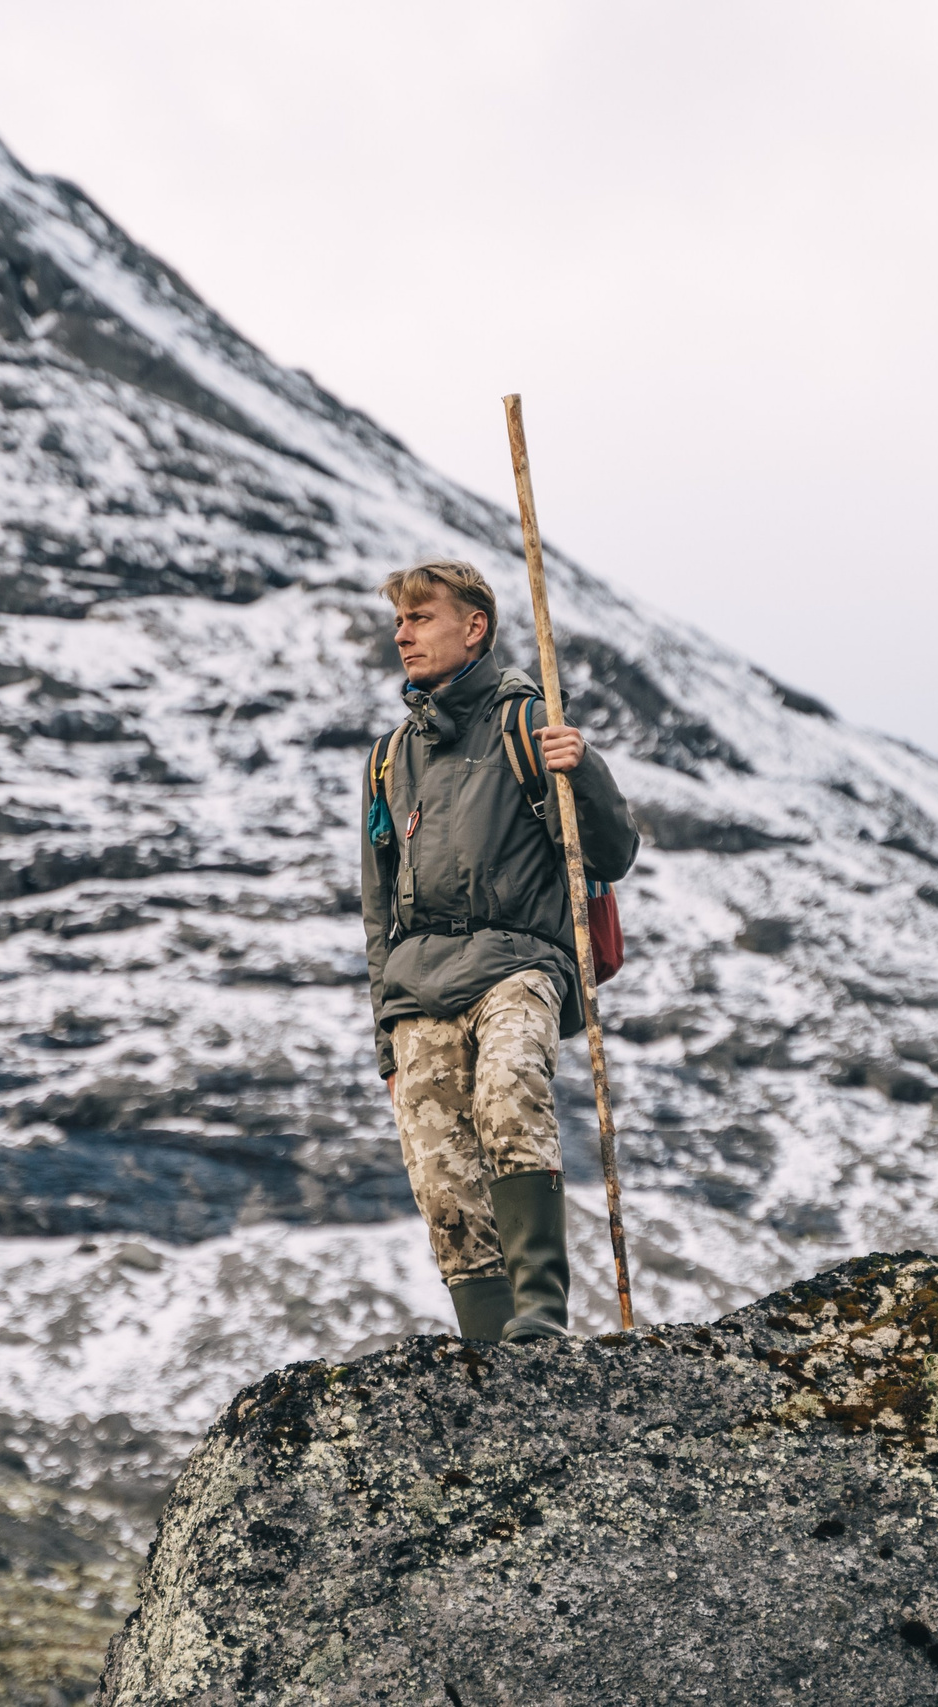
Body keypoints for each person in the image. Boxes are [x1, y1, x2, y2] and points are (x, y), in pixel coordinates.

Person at [360, 557, 639, 1343]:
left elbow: (611, 853)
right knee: (439, 1169)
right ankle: (490, 1351)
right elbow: (378, 909)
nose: (402, 634)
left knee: (511, 1092)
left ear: (473, 625)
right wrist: (387, 1040)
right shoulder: (388, 759)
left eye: (420, 617)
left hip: (519, 959)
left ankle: (541, 1313)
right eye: (399, 621)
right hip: (419, 988)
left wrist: (581, 773)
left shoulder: (528, 724)